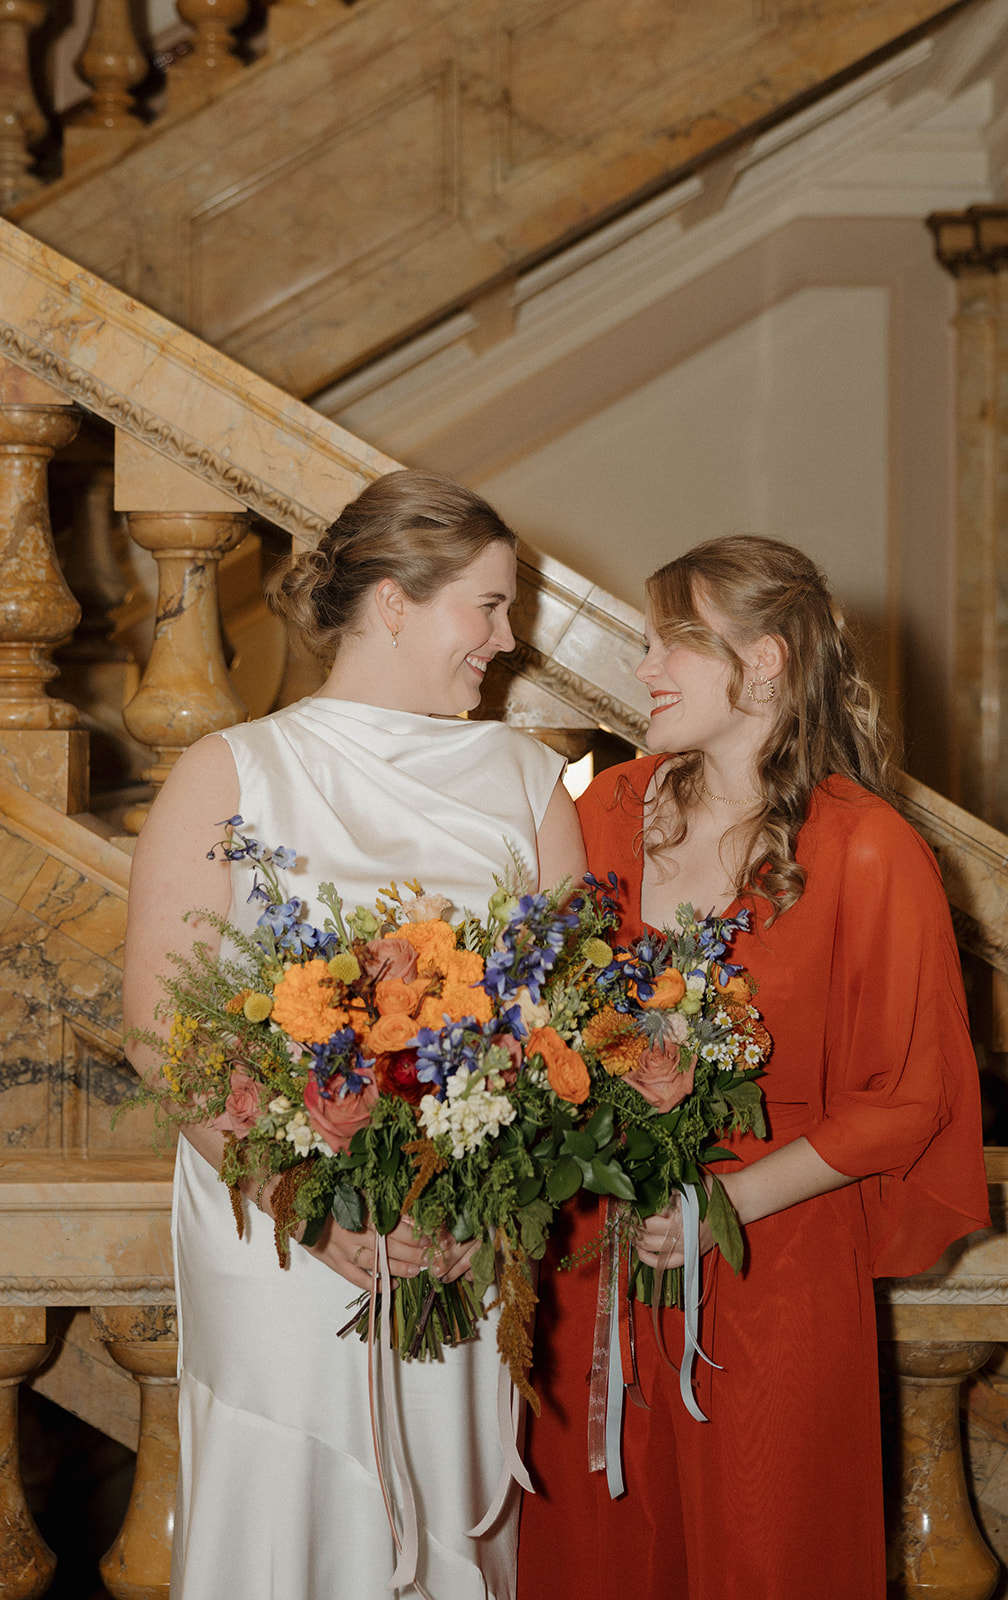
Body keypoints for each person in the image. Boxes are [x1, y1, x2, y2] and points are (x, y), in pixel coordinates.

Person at [123, 469, 586, 1600]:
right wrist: (304, 1200)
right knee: (287, 1525)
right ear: (393, 603)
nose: (508, 639)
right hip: (280, 1246)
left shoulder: (531, 781)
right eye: (488, 605)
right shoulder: (230, 770)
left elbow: (565, 1031)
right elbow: (156, 1031)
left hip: (453, 1248)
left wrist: (490, 1206)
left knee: (441, 1523)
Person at [517, 535, 990, 1600]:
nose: (641, 666)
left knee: (769, 1558)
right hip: (591, 1263)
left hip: (771, 1262)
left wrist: (719, 1204)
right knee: (591, 1563)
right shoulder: (599, 810)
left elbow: (907, 1098)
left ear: (764, 661)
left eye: (670, 644)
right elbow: (531, 1013)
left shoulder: (867, 848)